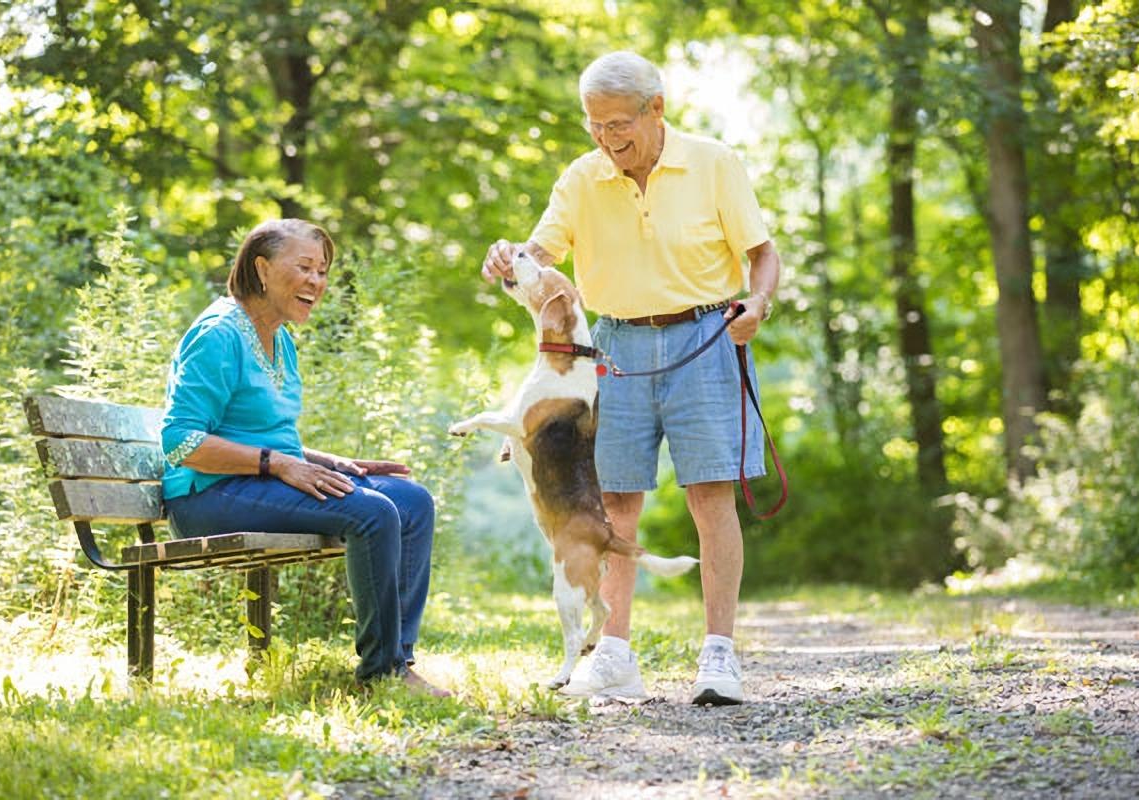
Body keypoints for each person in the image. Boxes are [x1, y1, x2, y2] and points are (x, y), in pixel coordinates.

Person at [481, 51, 781, 705]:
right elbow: (539, 253)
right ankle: (613, 654)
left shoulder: (713, 163)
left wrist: (756, 304)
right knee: (614, 502)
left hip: (705, 337)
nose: (607, 139)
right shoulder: (582, 178)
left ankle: (719, 656)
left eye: (619, 124)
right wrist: (508, 259)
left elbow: (762, 253)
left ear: (656, 109)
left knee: (710, 499)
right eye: (594, 126)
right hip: (613, 346)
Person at [161, 218, 448, 695]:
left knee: (412, 501)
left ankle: (399, 658)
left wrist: (333, 462)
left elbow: (268, 438)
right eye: (305, 267)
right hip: (206, 497)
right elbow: (181, 443)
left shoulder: (281, 338)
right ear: (263, 268)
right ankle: (381, 674)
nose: (317, 281)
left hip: (255, 484)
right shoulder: (218, 334)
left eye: (323, 270)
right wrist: (279, 464)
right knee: (373, 513)